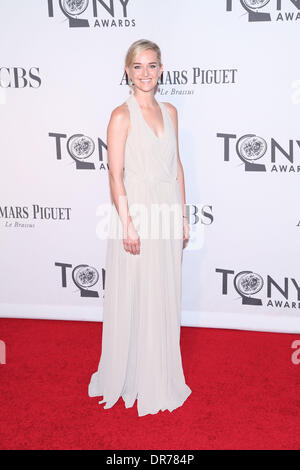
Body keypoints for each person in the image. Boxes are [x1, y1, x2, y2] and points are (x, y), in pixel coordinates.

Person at [88, 39, 192, 417]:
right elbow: (115, 176)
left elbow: (176, 166)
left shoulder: (171, 111)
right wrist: (127, 224)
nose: (145, 73)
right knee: (136, 292)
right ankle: (131, 374)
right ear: (127, 71)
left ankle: (159, 373)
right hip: (137, 214)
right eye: (137, 66)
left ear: (161, 69)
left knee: (163, 292)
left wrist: (182, 215)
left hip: (166, 212)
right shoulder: (121, 115)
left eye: (152, 65)